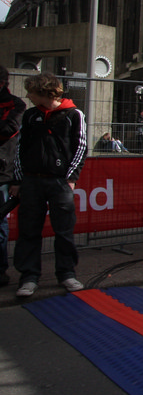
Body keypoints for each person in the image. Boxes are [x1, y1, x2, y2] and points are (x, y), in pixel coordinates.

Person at [10, 72, 87, 297]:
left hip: (59, 181)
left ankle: (66, 273)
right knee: (28, 230)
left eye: (31, 92)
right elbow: (20, 148)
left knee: (64, 230)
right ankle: (29, 277)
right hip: (32, 180)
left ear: (43, 92)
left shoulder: (73, 115)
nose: (28, 96)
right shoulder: (30, 115)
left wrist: (70, 178)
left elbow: (81, 147)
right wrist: (18, 179)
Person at [0, 66, 27, 288]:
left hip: (1, 172)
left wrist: (16, 180)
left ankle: (0, 270)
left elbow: (8, 129)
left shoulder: (15, 104)